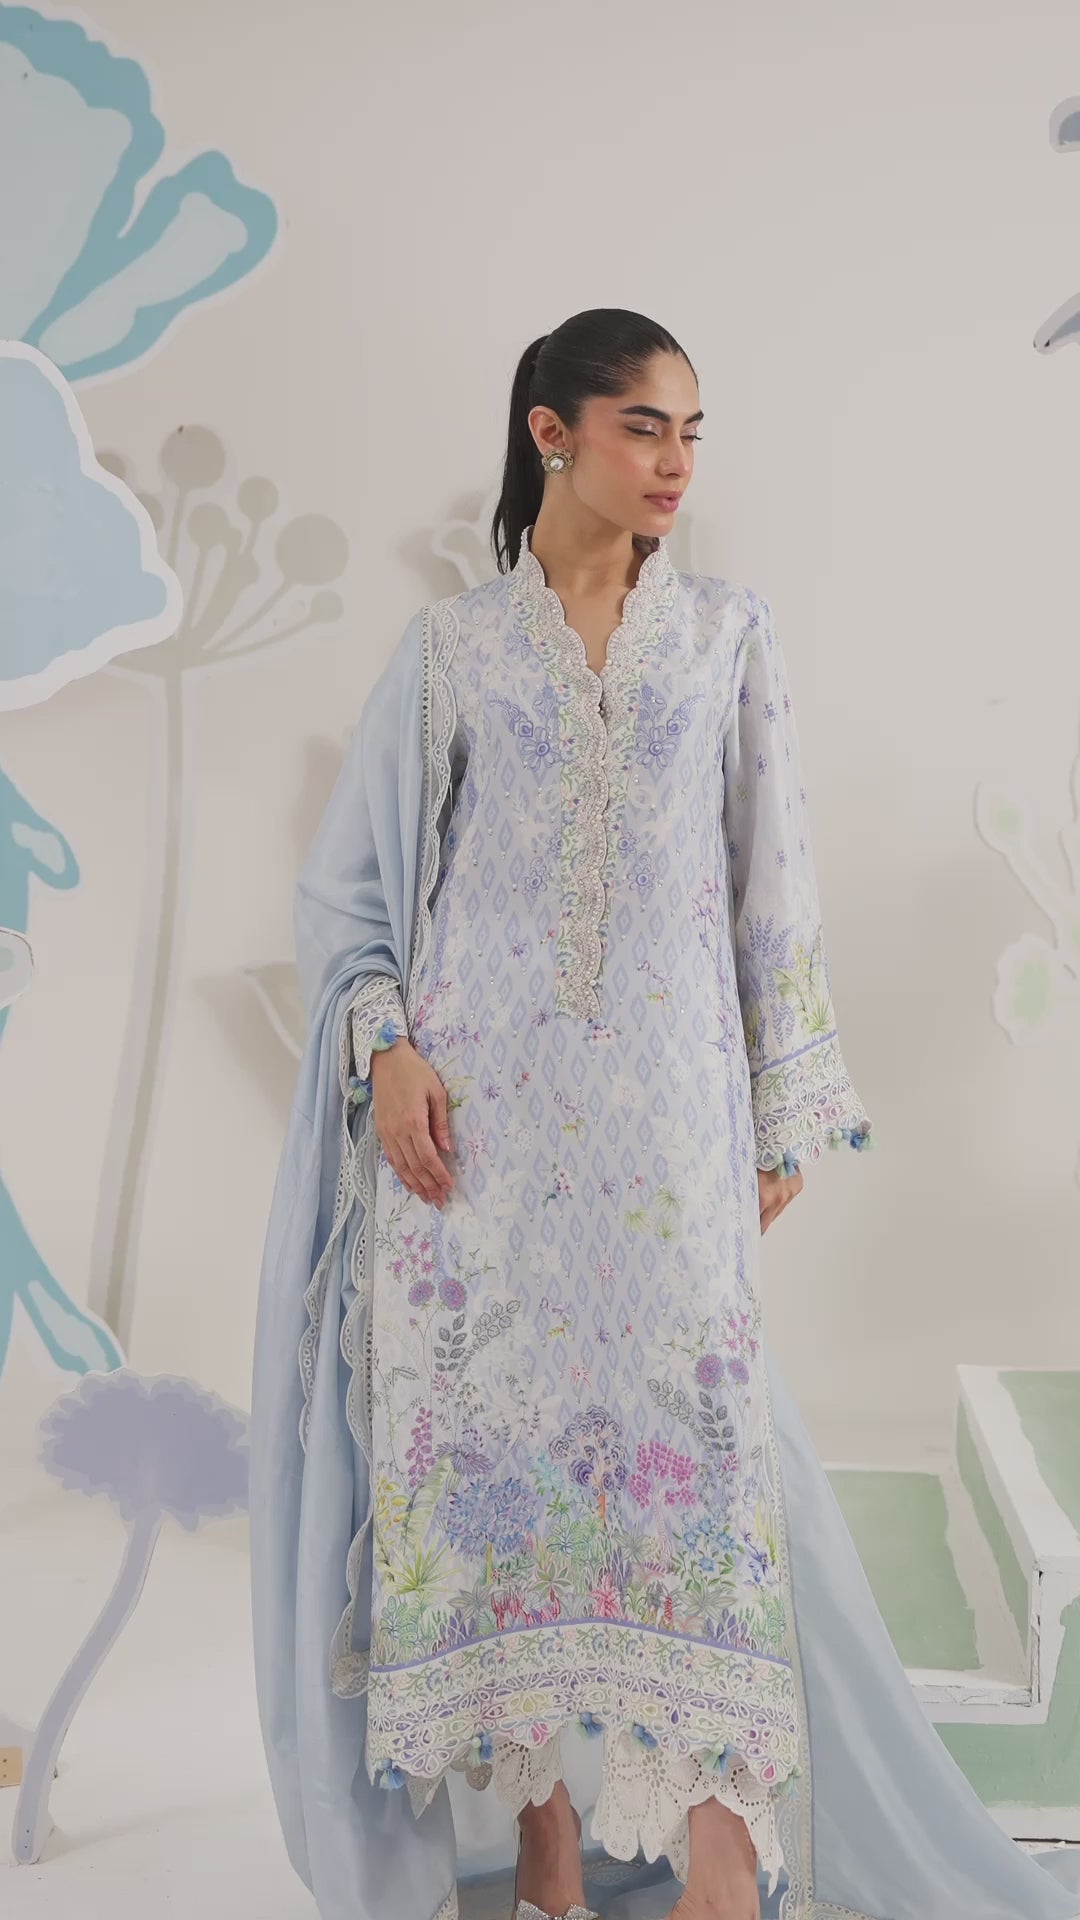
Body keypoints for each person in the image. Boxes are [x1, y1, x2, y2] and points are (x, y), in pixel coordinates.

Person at [248, 310, 1080, 1920]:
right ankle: (545, 1851)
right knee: (493, 1488)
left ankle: (718, 1862)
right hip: (474, 1147)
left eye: (694, 431)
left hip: (668, 1132)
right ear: (552, 432)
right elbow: (349, 894)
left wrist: (781, 1108)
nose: (677, 461)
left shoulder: (725, 637)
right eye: (645, 426)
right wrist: (388, 1051)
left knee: (697, 1487)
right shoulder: (449, 653)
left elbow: (777, 887)